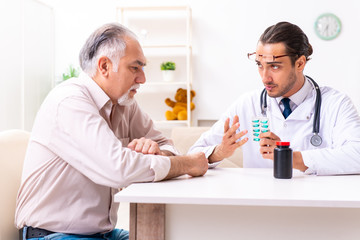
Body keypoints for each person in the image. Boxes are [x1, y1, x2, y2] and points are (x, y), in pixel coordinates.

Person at [15, 23, 208, 240]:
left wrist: (160, 153)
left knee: (172, 236)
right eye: (135, 68)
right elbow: (118, 168)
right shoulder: (69, 102)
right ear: (105, 66)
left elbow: (165, 142)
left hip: (103, 234)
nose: (143, 78)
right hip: (55, 235)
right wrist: (187, 163)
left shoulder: (124, 104)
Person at [189, 21, 360, 175]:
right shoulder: (247, 104)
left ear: (300, 63)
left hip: (314, 204)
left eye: (275, 66)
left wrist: (292, 158)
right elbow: (193, 153)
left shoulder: (336, 104)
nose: (265, 78)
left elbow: (357, 154)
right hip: (261, 204)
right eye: (260, 65)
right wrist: (220, 152)